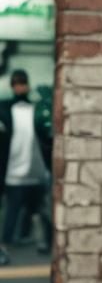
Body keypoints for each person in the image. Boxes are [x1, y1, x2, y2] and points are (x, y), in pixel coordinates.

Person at [0, 69, 53, 265]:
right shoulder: (5, 109)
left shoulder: (37, 109)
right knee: (11, 214)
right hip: (14, 172)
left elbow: (45, 136)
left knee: (43, 211)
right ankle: (5, 247)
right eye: (17, 83)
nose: (20, 86)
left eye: (23, 83)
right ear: (13, 86)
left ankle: (46, 243)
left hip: (37, 171)